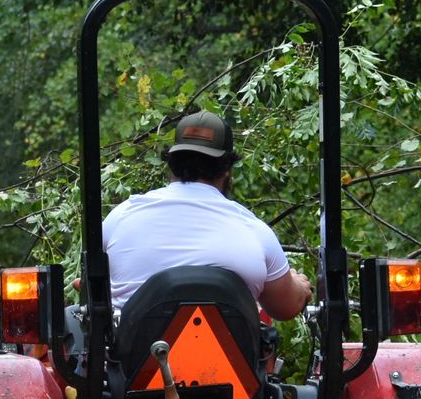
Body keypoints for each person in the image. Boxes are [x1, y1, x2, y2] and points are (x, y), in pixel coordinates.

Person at [103, 110, 313, 319]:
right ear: (227, 169)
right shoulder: (255, 232)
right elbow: (286, 308)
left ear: (170, 162)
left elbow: (87, 284)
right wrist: (300, 287)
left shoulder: (121, 217)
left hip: (142, 352)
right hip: (231, 352)